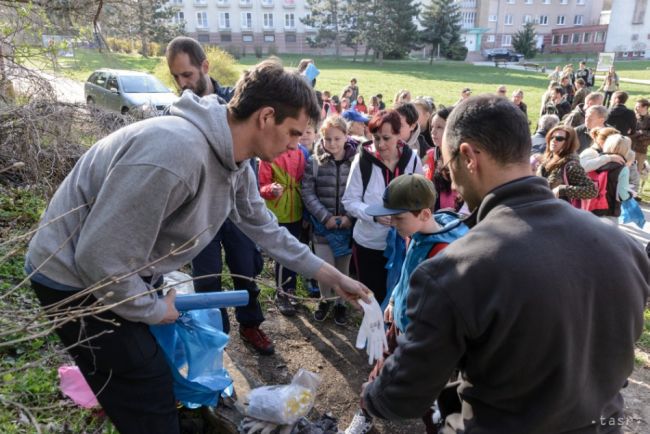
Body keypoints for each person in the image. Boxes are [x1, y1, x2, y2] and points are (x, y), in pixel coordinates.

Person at [25, 59, 370, 434]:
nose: (295, 143)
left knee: (150, 372)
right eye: (293, 132)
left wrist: (335, 278)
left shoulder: (234, 160)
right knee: (145, 381)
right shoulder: (176, 152)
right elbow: (100, 256)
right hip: (72, 278)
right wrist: (153, 309)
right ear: (266, 116)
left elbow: (265, 229)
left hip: (117, 269)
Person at [360, 94, 650, 433]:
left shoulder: (455, 269)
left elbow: (405, 394)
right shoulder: (625, 249)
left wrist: (373, 397)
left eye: (449, 166)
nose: (451, 182)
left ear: (467, 157)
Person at [165, 36, 271, 354]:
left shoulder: (237, 105)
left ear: (205, 67)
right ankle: (214, 337)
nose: (183, 84)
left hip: (237, 210)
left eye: (188, 75)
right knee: (205, 279)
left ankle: (250, 325)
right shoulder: (180, 113)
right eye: (176, 77)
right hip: (200, 214)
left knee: (245, 271)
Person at [344, 174, 468, 434]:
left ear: (424, 213)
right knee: (380, 371)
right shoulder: (417, 233)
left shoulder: (444, 253)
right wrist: (393, 299)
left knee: (428, 395)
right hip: (399, 323)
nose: (392, 224)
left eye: (398, 218)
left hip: (422, 339)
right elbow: (406, 273)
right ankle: (365, 412)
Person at [342, 110, 422, 306]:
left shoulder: (412, 160)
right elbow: (350, 201)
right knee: (371, 298)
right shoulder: (362, 161)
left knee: (398, 298)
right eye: (376, 138)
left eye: (386, 138)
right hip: (369, 243)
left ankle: (390, 335)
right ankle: (372, 334)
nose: (381, 144)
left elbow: (420, 197)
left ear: (399, 135)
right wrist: (374, 216)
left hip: (402, 243)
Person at [302, 116, 357, 326]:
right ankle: (326, 300)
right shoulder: (314, 161)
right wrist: (325, 218)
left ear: (346, 136)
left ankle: (342, 304)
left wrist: (349, 217)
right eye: (327, 139)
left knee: (343, 268)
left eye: (337, 138)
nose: (332, 143)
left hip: (346, 226)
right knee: (324, 267)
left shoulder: (356, 162)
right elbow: (307, 192)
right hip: (321, 227)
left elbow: (359, 191)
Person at [536, 125, 598, 204]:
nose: (554, 140)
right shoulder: (547, 158)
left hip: (558, 211)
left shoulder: (571, 165)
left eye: (559, 138)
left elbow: (592, 190)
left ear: (568, 142)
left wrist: (562, 190)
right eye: (552, 137)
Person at [423, 106, 462, 211]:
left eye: (439, 127)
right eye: (432, 127)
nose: (433, 132)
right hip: (437, 216)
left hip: (459, 217)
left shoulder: (463, 158)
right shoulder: (431, 155)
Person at [631, 98, 650, 174]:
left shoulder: (649, 120)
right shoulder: (632, 117)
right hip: (628, 148)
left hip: (640, 150)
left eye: (638, 106)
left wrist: (640, 133)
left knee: (636, 173)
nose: (636, 108)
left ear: (645, 107)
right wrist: (638, 133)